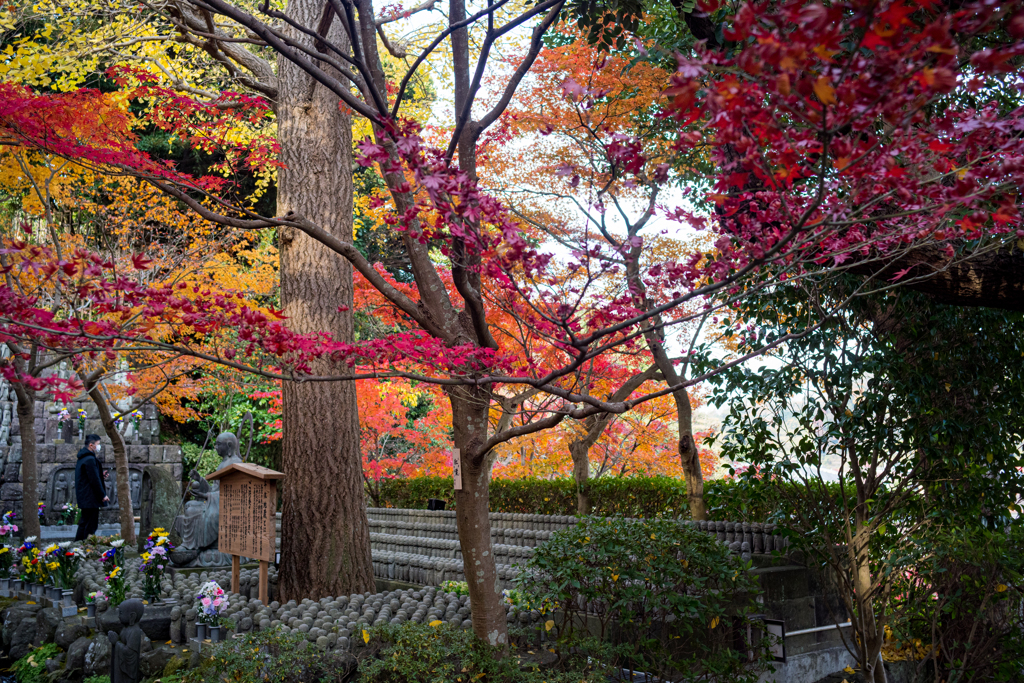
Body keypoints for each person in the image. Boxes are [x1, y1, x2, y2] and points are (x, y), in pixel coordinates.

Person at [74, 434, 109, 541]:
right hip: (90, 497)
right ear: (91, 445)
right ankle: (86, 545)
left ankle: (78, 543)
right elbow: (94, 480)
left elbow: (89, 476)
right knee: (90, 524)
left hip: (86, 496)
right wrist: (102, 495)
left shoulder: (84, 458)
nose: (99, 446)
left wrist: (100, 475)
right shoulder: (89, 459)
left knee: (84, 521)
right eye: (98, 444)